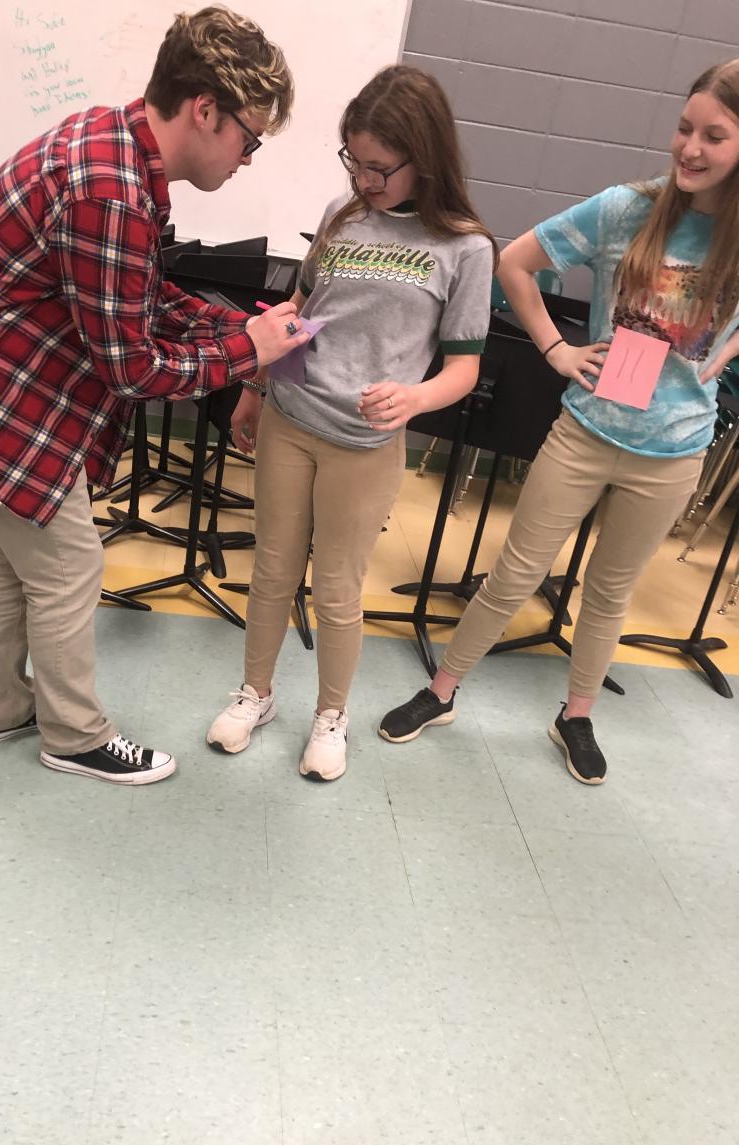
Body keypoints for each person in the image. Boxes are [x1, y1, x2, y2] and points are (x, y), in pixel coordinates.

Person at [0, 6, 309, 786]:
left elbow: (137, 295)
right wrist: (245, 353)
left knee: (12, 556)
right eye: (249, 139)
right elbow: (133, 369)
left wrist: (236, 328)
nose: (248, 159)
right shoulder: (110, 189)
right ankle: (75, 736)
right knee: (67, 565)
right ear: (206, 110)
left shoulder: (114, 143)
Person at [380, 59, 739, 785]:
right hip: (585, 433)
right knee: (514, 572)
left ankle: (576, 716)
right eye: (684, 128)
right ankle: (441, 691)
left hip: (673, 452)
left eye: (714, 136)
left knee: (609, 592)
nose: (690, 148)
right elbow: (514, 263)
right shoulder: (627, 209)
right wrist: (555, 349)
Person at [205, 65, 496, 781]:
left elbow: (464, 368)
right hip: (291, 417)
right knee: (272, 570)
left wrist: (415, 399)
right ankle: (255, 694)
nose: (364, 180)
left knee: (336, 589)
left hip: (366, 443)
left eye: (379, 168)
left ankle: (330, 716)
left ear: (424, 157)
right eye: (354, 162)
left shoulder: (465, 247)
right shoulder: (343, 214)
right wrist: (252, 389)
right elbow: (296, 313)